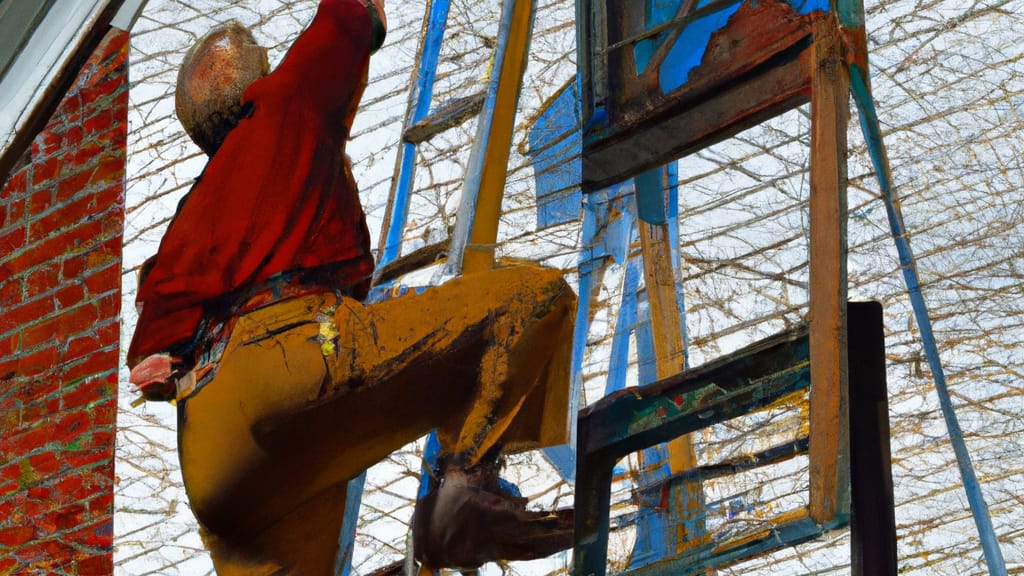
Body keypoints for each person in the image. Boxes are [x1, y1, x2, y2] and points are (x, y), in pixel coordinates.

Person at [128, 0, 575, 573]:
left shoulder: (185, 225)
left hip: (213, 451)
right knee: (532, 299)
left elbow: (155, 357)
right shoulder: (282, 105)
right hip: (291, 358)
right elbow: (346, 19)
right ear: (252, 85)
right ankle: (465, 492)